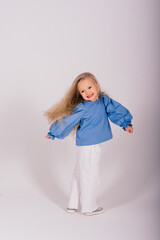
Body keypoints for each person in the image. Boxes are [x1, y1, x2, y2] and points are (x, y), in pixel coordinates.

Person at [44, 72, 133, 216]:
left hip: (92, 143)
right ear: (80, 94)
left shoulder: (104, 100)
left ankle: (72, 205)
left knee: (80, 172)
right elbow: (68, 120)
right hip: (87, 145)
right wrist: (53, 132)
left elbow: (116, 111)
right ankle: (88, 207)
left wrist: (126, 124)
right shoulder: (82, 107)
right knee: (90, 174)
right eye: (83, 91)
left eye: (89, 87)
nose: (87, 92)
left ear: (96, 85)